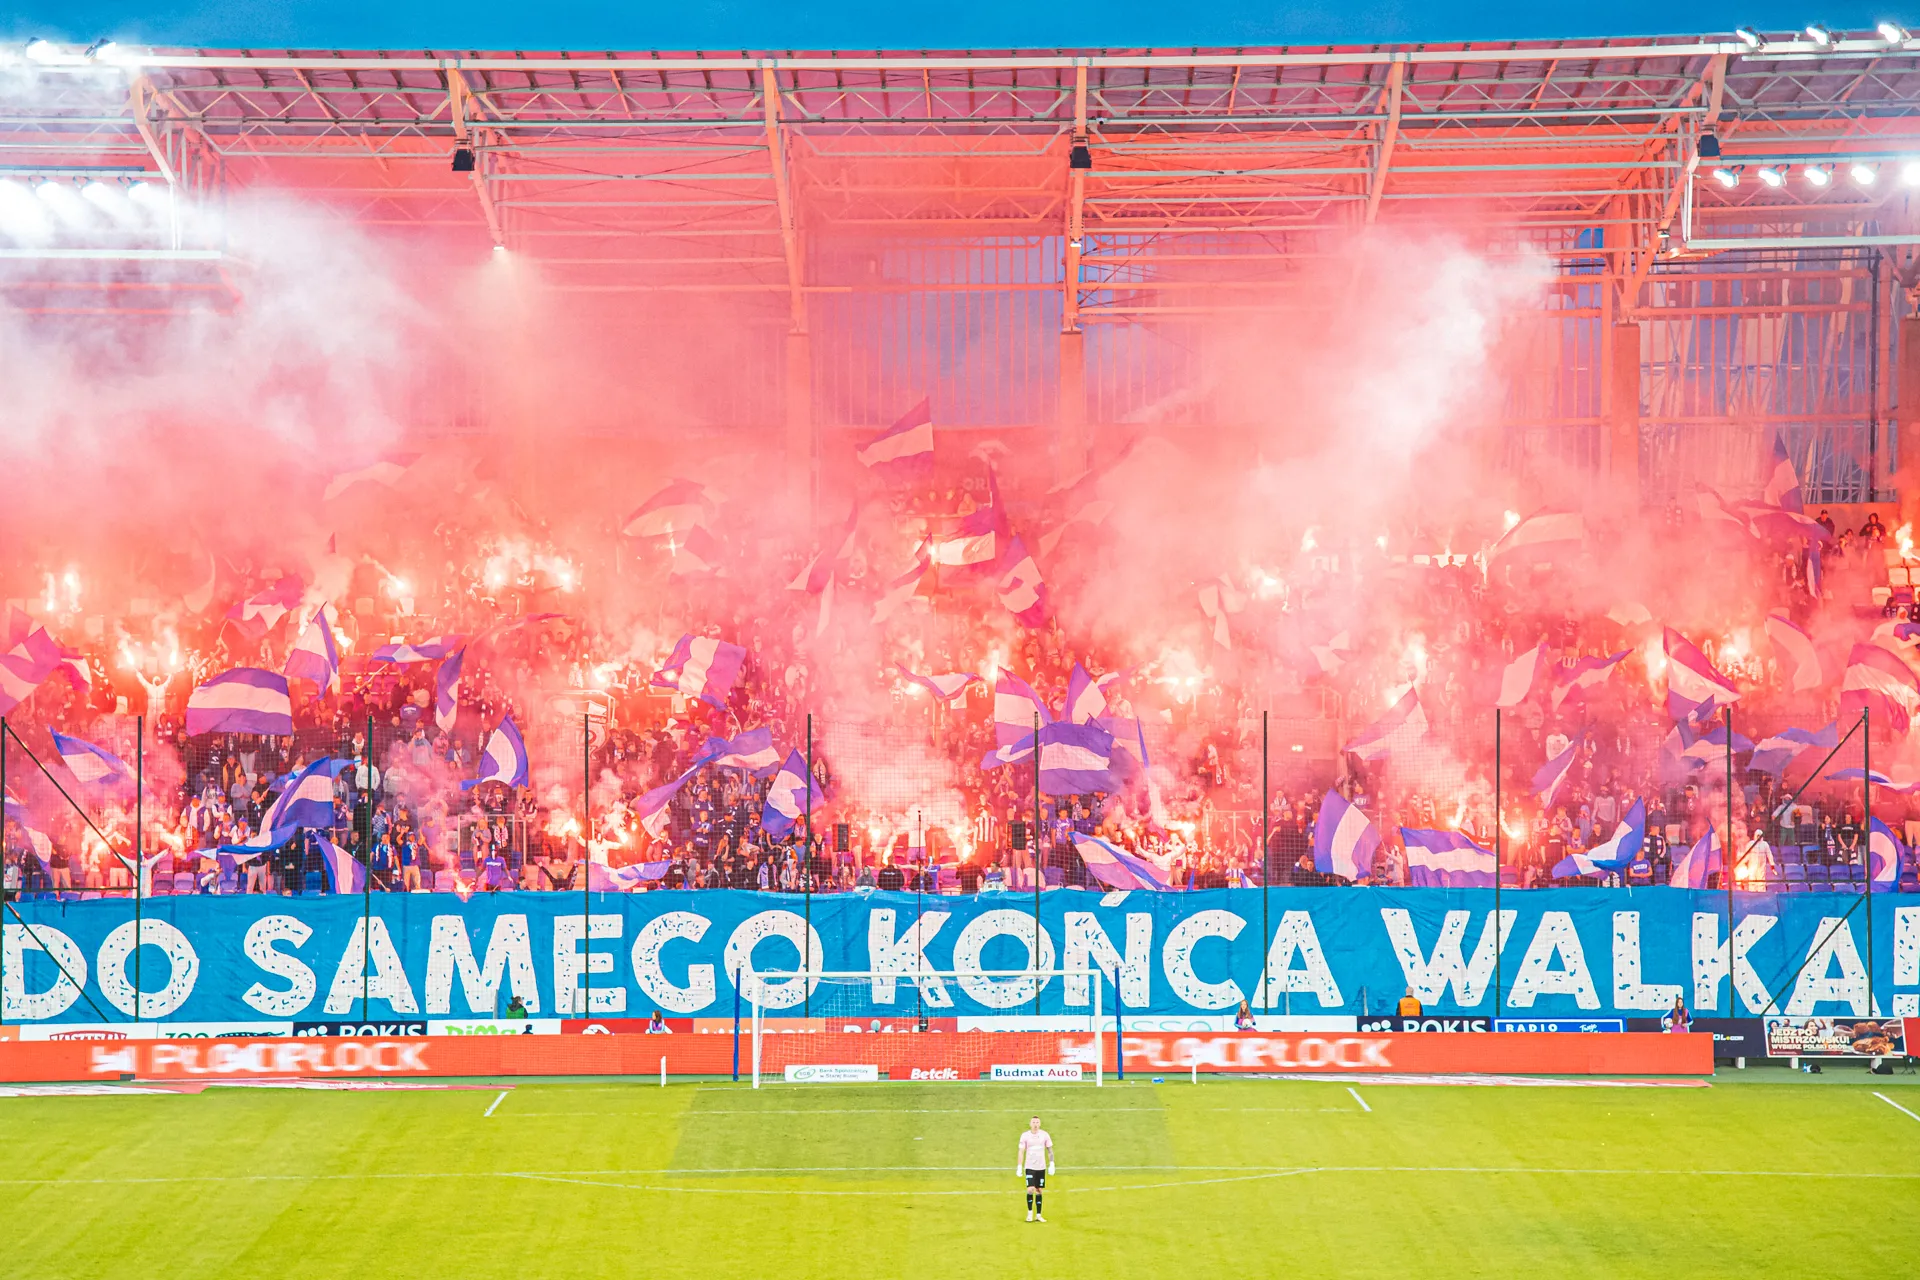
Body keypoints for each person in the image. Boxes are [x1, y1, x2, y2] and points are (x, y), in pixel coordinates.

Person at [1016, 1115, 1055, 1223]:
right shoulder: (1025, 1136)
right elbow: (1021, 1151)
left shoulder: (1044, 1135)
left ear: (1040, 1124)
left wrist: (1052, 1164)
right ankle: (1029, 1213)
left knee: (1039, 1190)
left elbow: (1050, 1151)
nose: (1035, 1124)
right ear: (1030, 1124)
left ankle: (1038, 1215)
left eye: (1037, 1122)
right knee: (1030, 1189)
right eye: (1033, 1122)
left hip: (1041, 1167)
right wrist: (1019, 1166)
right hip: (1029, 1166)